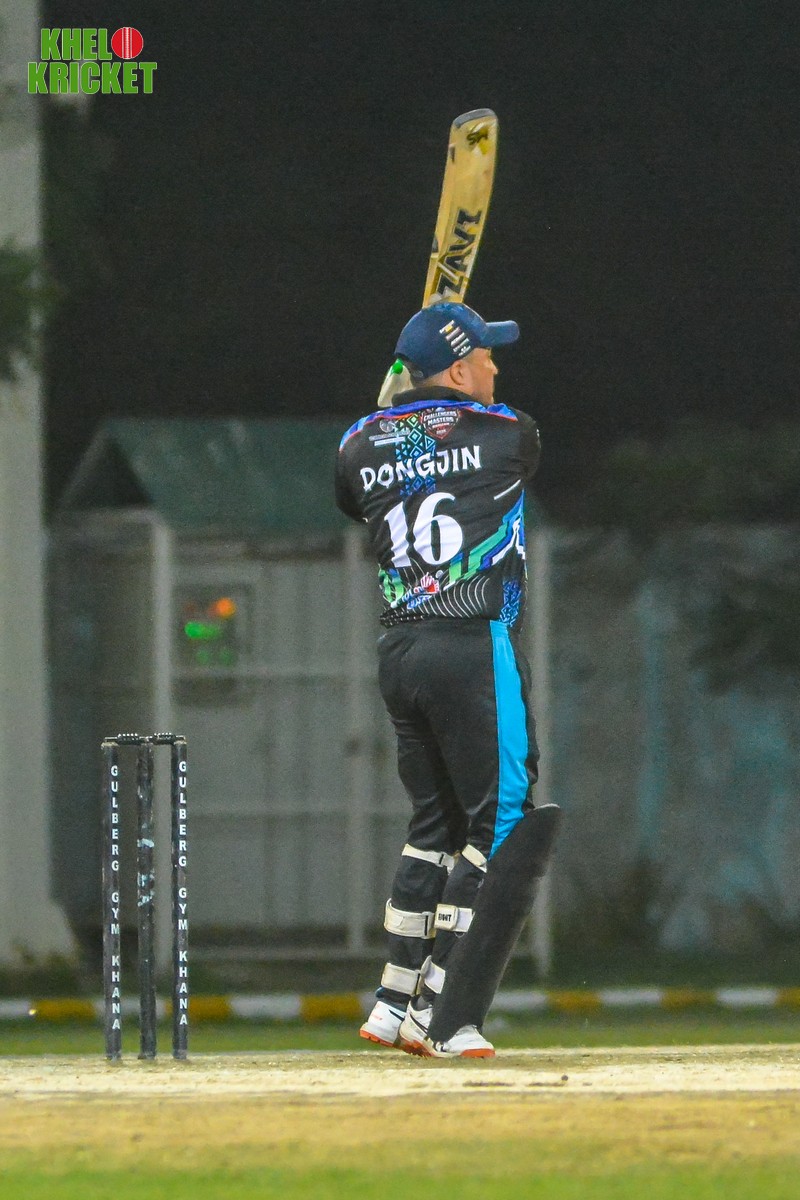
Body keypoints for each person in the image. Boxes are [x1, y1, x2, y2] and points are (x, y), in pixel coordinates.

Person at [334, 300, 559, 1058]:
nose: (495, 367)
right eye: (486, 356)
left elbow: (354, 492)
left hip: (401, 650)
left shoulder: (359, 441)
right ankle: (441, 1006)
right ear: (459, 370)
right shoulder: (510, 432)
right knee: (502, 821)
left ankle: (392, 1001)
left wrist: (390, 415)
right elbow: (490, 445)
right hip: (471, 642)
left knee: (434, 826)